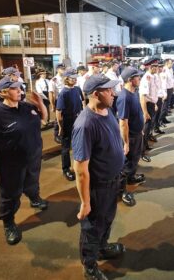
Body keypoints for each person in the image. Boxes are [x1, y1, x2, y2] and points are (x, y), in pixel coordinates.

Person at [0, 77, 48, 245]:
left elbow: (43, 120)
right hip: (10, 166)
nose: (20, 90)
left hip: (32, 159)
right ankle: (8, 223)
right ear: (3, 92)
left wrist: (40, 104)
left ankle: (34, 198)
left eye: (20, 87)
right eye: (15, 88)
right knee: (10, 195)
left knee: (32, 183)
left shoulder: (26, 107)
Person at [72, 74, 125, 280]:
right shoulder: (84, 125)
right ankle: (90, 265)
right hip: (98, 187)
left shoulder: (107, 110)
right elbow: (81, 170)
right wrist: (85, 202)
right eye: (108, 90)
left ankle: (102, 248)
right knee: (92, 227)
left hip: (113, 182)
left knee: (107, 220)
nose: (113, 93)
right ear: (95, 94)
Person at [117, 67, 145, 207]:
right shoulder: (124, 97)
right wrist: (126, 142)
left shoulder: (134, 92)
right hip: (130, 136)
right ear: (129, 79)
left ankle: (131, 178)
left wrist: (141, 129)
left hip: (137, 133)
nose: (140, 78)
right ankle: (121, 191)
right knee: (126, 165)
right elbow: (123, 123)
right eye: (137, 77)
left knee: (135, 159)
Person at [56, 69, 84, 181]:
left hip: (78, 119)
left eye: (75, 77)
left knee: (78, 144)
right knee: (66, 147)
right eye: (72, 77)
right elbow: (59, 112)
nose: (75, 79)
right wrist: (60, 127)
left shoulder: (77, 89)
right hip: (68, 121)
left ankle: (78, 165)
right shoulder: (64, 93)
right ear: (66, 79)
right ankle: (66, 169)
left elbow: (82, 102)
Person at [139, 61, 159, 162]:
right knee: (145, 129)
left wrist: (154, 103)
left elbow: (153, 94)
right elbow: (143, 97)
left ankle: (145, 145)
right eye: (155, 66)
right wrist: (145, 112)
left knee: (148, 129)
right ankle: (141, 153)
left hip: (151, 104)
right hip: (146, 106)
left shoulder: (152, 76)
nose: (157, 68)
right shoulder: (146, 78)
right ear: (151, 67)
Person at [49, 63, 66, 143]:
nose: (63, 70)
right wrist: (52, 105)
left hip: (66, 100)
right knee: (57, 119)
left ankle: (64, 133)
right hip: (58, 100)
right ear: (57, 69)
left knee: (65, 118)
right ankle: (57, 135)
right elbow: (51, 93)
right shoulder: (54, 80)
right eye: (62, 68)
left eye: (64, 68)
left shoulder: (65, 78)